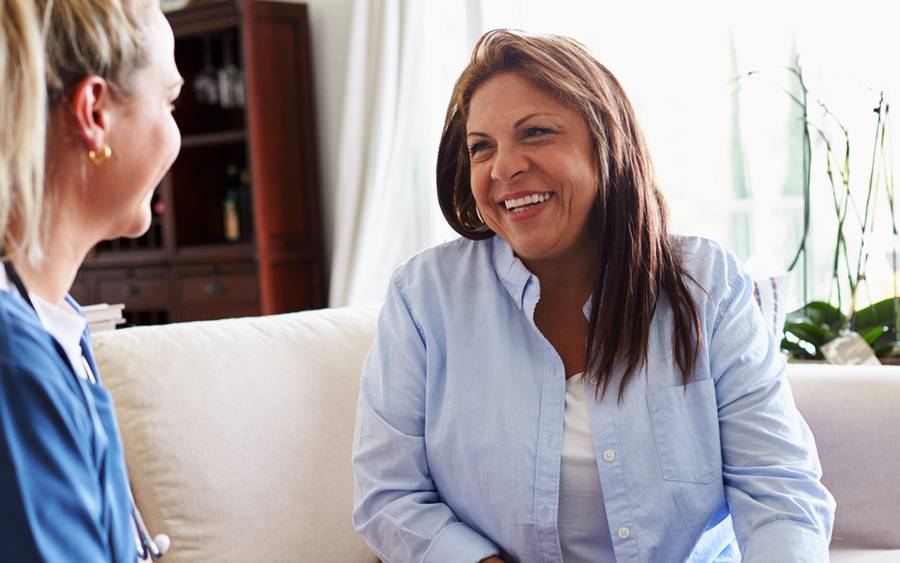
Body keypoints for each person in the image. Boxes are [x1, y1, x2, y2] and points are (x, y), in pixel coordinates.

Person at [352, 29, 835, 562]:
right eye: (480, 146)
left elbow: (780, 492)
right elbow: (390, 496)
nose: (502, 167)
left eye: (535, 132)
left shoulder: (706, 285)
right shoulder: (423, 300)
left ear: (607, 144)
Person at [0, 0, 182, 559]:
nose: (175, 135)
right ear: (94, 113)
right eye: (170, 102)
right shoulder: (15, 365)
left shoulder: (55, 321)